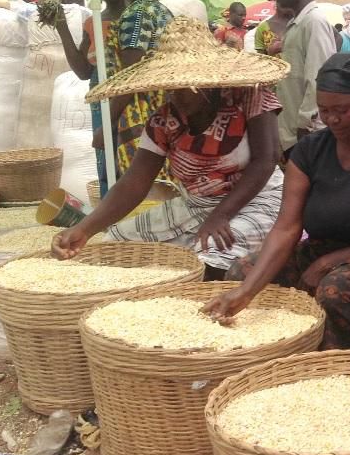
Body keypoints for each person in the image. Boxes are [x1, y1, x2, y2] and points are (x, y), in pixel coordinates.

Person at [202, 52, 350, 351]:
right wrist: (246, 292)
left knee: (335, 289)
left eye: (343, 109)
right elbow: (287, 227)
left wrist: (331, 261)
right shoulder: (309, 151)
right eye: (324, 110)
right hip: (330, 245)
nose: (332, 119)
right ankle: (271, 353)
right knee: (243, 271)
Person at [52, 17, 291, 279]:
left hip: (258, 200)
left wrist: (221, 215)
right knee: (117, 242)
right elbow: (134, 182)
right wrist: (85, 229)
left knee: (209, 257)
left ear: (206, 81)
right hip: (196, 206)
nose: (174, 95)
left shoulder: (249, 96)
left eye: (182, 87)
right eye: (169, 87)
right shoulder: (165, 119)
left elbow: (266, 160)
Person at [104, 0, 179, 182]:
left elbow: (131, 75)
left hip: (139, 113)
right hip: (165, 110)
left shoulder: (135, 15)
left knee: (139, 185)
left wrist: (108, 124)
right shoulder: (162, 11)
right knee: (164, 181)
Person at [54, 0, 124, 199]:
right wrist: (62, 27)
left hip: (132, 98)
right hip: (100, 99)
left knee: (133, 156)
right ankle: (109, 213)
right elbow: (84, 72)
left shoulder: (137, 19)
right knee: (107, 159)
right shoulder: (93, 23)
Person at [274, 0, 338, 153]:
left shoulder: (314, 21)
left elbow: (319, 76)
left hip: (305, 133)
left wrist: (308, 123)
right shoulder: (298, 23)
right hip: (292, 131)